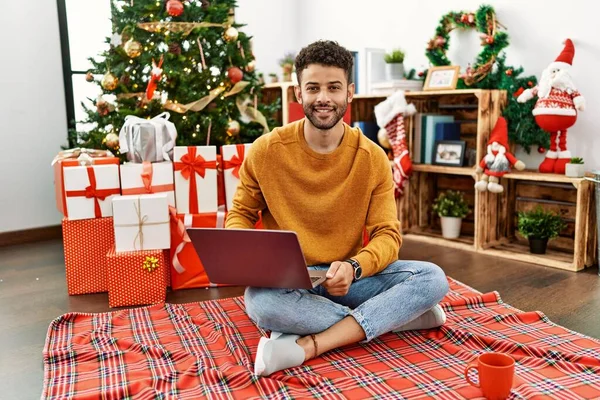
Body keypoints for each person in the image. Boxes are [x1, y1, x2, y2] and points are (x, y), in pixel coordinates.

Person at [225, 40, 449, 376]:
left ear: (350, 92)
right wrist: (246, 252)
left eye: (334, 87)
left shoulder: (373, 158)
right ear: (298, 93)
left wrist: (355, 267)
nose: (323, 98)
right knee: (262, 303)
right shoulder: (266, 150)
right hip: (290, 279)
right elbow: (240, 214)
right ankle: (396, 318)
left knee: (432, 278)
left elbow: (387, 235)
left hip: (352, 277)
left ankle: (313, 343)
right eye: (313, 88)